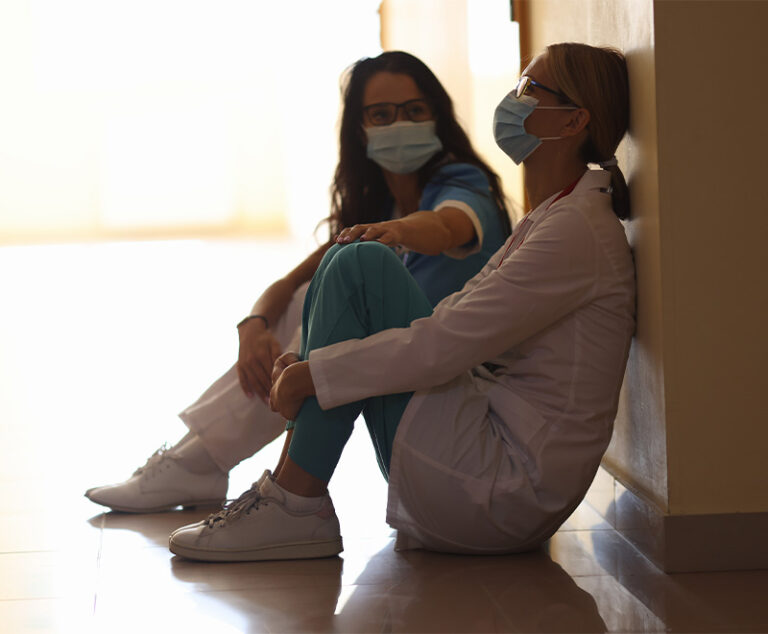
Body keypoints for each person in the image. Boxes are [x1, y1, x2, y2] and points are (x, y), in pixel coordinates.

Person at [166, 42, 636, 562]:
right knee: (347, 263)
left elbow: (444, 338)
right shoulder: (558, 214)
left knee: (360, 263)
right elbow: (450, 321)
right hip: (485, 459)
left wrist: (314, 373)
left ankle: (292, 500)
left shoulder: (574, 229)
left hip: (505, 491)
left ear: (572, 121)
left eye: (529, 88)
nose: (513, 99)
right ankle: (286, 495)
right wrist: (307, 362)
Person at [85, 51, 511, 513]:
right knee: (309, 295)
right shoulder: (380, 206)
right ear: (360, 127)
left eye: (414, 110)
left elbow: (449, 226)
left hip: (457, 390)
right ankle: (199, 461)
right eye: (381, 114)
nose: (399, 124)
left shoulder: (463, 186)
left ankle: (209, 467)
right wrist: (253, 325)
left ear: (437, 116)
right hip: (399, 373)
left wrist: (402, 231)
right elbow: (289, 284)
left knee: (329, 303)